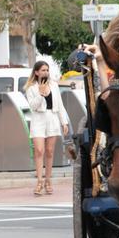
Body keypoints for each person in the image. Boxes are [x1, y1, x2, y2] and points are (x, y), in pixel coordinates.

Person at [24, 61, 70, 195]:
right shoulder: (30, 87)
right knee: (39, 150)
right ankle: (39, 181)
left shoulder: (54, 85)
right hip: (38, 119)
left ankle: (48, 180)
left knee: (50, 152)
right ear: (36, 72)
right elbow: (33, 106)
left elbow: (60, 105)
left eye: (47, 70)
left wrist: (64, 122)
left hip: (52, 119)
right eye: (43, 70)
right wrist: (41, 94)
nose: (45, 72)